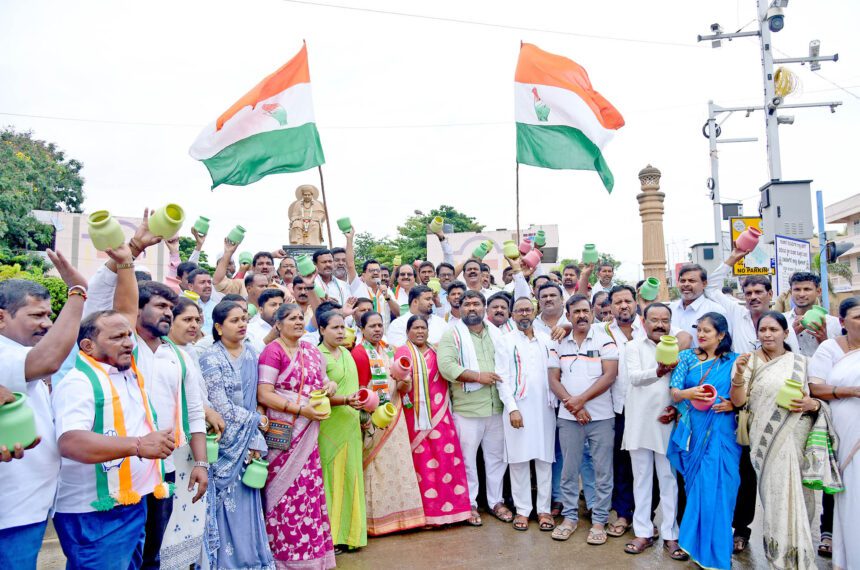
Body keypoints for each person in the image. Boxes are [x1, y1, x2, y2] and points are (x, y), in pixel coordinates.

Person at [52, 310, 177, 569]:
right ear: (88, 346)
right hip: (95, 513)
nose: (129, 342)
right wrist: (140, 445)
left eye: (129, 335)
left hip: (132, 503)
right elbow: (71, 441)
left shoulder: (126, 374)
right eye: (117, 337)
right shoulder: (78, 383)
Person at [704, 249, 799, 552]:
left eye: (759, 291)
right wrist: (734, 255)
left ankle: (780, 533)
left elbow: (795, 368)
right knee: (745, 474)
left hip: (778, 408)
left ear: (771, 294)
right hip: (741, 408)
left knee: (776, 474)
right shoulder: (735, 314)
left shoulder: (784, 327)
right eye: (748, 292)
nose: (753, 296)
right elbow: (711, 286)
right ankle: (741, 529)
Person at [0, 251, 87, 569]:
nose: (47, 323)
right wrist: (77, 292)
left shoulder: (17, 352)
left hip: (28, 509)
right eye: (36, 315)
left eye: (50, 314)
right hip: (10, 515)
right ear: (1, 318)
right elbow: (47, 360)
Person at [728, 311, 820, 569]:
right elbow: (738, 401)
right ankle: (780, 560)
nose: (767, 334)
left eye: (773, 329)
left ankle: (801, 557)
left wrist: (812, 404)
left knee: (802, 499)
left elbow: (813, 400)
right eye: (763, 330)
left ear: (786, 333)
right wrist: (738, 376)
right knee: (775, 499)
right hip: (765, 441)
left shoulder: (800, 362)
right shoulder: (749, 362)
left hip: (796, 437)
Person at [199, 302, 275, 570]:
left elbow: (256, 400)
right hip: (223, 445)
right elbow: (220, 407)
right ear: (218, 327)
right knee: (225, 506)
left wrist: (256, 437)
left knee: (248, 502)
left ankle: (252, 561)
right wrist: (259, 422)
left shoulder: (253, 354)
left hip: (249, 442)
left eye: (244, 319)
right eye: (234, 320)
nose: (242, 324)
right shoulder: (210, 358)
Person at [667, 312, 739, 570]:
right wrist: (690, 392)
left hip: (722, 432)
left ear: (721, 335)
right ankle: (697, 549)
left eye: (707, 331)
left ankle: (719, 552)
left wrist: (733, 404)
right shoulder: (686, 357)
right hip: (693, 431)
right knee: (697, 490)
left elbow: (745, 395)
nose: (701, 334)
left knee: (722, 491)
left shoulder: (735, 360)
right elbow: (675, 393)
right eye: (699, 330)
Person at [548, 295, 619, 544]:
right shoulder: (558, 343)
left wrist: (581, 401)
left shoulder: (604, 341)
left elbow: (609, 376)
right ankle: (569, 518)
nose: (581, 315)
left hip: (601, 417)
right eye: (576, 311)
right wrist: (574, 406)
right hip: (569, 418)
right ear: (567, 315)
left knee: (602, 470)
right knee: (569, 469)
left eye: (585, 311)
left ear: (591, 313)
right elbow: (554, 380)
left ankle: (599, 521)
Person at [350, 311, 426, 534]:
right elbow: (361, 390)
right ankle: (376, 523)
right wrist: (367, 418)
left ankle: (404, 518)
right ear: (362, 329)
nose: (377, 329)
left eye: (380, 325)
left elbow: (405, 388)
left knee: (398, 463)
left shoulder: (390, 351)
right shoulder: (359, 353)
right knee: (377, 467)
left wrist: (403, 381)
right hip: (374, 419)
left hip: (395, 414)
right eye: (371, 326)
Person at [437, 291, 508, 526]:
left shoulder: (497, 334)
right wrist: (478, 377)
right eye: (466, 304)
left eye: (476, 304)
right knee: (467, 461)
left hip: (497, 406)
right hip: (468, 410)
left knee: (496, 459)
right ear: (460, 308)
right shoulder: (453, 334)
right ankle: (470, 504)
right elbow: (446, 367)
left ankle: (496, 501)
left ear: (484, 307)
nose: (471, 308)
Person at [393, 315, 472, 527]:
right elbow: (399, 387)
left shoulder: (437, 351)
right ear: (408, 331)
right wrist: (404, 384)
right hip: (414, 418)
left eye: (423, 328)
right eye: (416, 328)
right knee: (422, 464)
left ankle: (452, 511)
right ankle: (426, 515)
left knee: (446, 460)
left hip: (441, 416)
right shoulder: (402, 353)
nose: (420, 332)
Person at [622, 303, 685, 559]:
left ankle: (671, 536)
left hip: (666, 422)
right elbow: (634, 378)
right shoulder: (633, 346)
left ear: (671, 323)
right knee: (642, 480)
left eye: (665, 320)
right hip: (639, 423)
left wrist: (676, 409)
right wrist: (658, 371)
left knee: (669, 481)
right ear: (644, 322)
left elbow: (685, 384)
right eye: (654, 320)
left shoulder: (679, 348)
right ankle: (643, 532)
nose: (660, 324)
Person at [495, 298, 557, 532]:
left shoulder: (546, 338)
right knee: (519, 461)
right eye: (519, 310)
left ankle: (543, 510)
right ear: (512, 314)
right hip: (517, 408)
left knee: (544, 459)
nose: (524, 314)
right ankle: (523, 509)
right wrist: (512, 408)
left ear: (534, 312)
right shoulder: (505, 341)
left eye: (527, 310)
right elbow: (502, 377)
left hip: (545, 408)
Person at [808, 297, 860, 570]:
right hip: (846, 432)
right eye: (858, 317)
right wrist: (850, 391)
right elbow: (815, 388)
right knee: (852, 494)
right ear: (842, 322)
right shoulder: (830, 348)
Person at [316, 309, 367, 552]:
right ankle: (332, 537)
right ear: (322, 329)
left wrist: (363, 410)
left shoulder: (347, 353)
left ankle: (352, 535)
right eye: (335, 327)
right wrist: (345, 400)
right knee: (331, 480)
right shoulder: (317, 355)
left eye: (343, 327)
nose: (340, 332)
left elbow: (355, 389)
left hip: (351, 424)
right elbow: (317, 395)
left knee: (351, 477)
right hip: (329, 426)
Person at [784, 271, 842, 358]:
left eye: (807, 289)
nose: (801, 294)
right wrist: (791, 334)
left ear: (818, 291)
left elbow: (841, 358)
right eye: (797, 289)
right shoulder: (781, 321)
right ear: (791, 292)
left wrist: (824, 341)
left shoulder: (834, 323)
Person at [668, 264, 726, 347]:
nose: (686, 284)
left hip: (704, 360)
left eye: (692, 281)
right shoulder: (671, 309)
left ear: (704, 284)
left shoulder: (715, 310)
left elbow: (724, 344)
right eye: (682, 281)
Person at [246, 289, 285, 354]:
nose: (278, 308)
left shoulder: (288, 326)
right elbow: (250, 357)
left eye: (280, 305)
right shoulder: (250, 329)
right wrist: (268, 339)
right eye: (273, 305)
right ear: (261, 310)